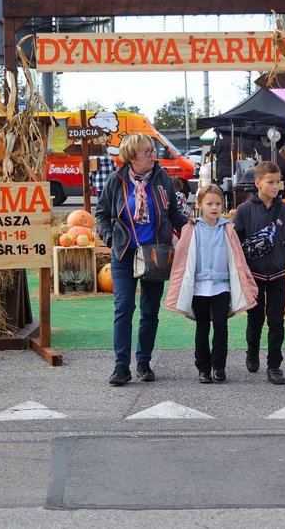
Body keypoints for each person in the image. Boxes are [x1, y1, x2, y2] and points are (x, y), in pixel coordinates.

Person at [95, 132, 188, 386]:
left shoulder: (162, 180)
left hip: (155, 254)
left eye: (152, 149)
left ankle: (144, 362)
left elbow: (174, 214)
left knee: (150, 311)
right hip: (124, 253)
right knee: (124, 307)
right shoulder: (116, 181)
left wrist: (193, 229)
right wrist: (110, 238)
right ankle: (121, 366)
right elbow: (101, 214)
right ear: (131, 157)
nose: (153, 154)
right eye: (147, 151)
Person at [165, 184, 257, 383]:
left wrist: (246, 284)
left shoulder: (228, 229)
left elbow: (238, 260)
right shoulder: (191, 229)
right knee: (202, 328)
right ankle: (203, 368)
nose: (214, 208)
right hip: (199, 287)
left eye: (218, 203)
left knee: (221, 327)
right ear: (199, 205)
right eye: (209, 203)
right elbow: (182, 259)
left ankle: (219, 366)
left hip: (221, 286)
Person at [233, 161, 285, 385]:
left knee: (276, 320)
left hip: (277, 275)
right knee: (254, 319)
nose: (276, 186)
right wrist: (246, 258)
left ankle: (274, 365)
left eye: (278, 181)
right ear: (258, 183)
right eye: (270, 182)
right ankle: (252, 352)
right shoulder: (244, 211)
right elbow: (236, 241)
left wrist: (283, 257)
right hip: (254, 276)